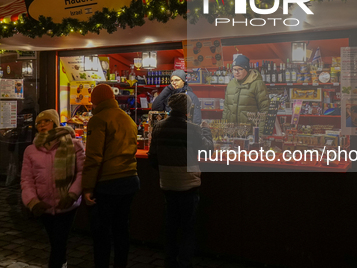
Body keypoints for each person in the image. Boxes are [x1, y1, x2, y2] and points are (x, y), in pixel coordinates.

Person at [148, 94, 213, 268]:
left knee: (170, 226)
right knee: (187, 228)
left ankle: (169, 261)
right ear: (187, 109)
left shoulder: (158, 127)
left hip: (167, 183)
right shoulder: (193, 129)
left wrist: (166, 170)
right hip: (188, 184)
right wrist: (206, 129)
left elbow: (152, 158)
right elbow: (208, 150)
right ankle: (184, 262)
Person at [82, 84, 139, 268]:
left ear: (96, 101)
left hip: (108, 182)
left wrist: (88, 188)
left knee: (102, 233)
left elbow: (94, 157)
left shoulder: (98, 120)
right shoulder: (128, 119)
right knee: (122, 229)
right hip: (130, 179)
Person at [21, 109, 85, 268]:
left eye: (46, 121)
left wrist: (72, 195)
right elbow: (26, 179)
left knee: (58, 242)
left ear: (55, 123)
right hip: (45, 205)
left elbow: (82, 173)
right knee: (56, 242)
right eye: (39, 123)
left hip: (67, 204)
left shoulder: (74, 144)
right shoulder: (30, 150)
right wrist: (32, 202)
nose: (42, 125)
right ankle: (63, 263)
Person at [222, 55, 269, 131]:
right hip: (231, 132)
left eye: (240, 69)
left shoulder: (257, 84)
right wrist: (224, 129)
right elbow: (226, 109)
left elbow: (265, 110)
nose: (236, 72)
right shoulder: (230, 84)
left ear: (246, 69)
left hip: (250, 133)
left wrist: (259, 133)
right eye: (234, 69)